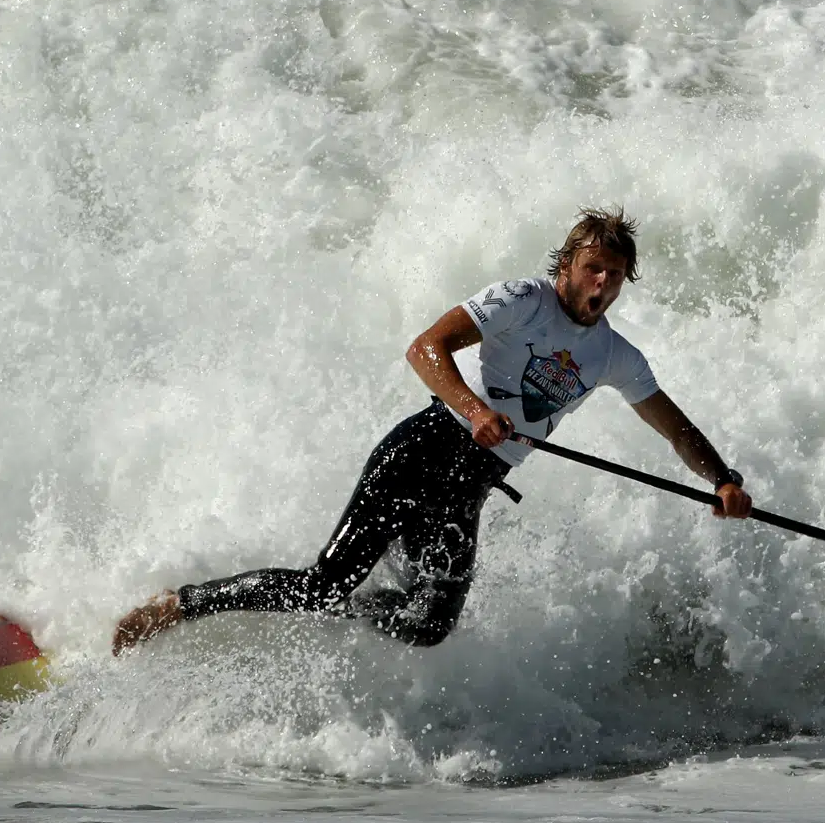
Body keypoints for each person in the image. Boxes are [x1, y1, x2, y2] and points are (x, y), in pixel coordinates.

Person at [112, 208, 753, 655]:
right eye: (593, 268)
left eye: (614, 274)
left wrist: (722, 479)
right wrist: (476, 411)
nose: (603, 283)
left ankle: (346, 615)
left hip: (468, 487)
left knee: (427, 625)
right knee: (324, 583)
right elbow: (425, 347)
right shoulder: (522, 300)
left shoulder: (613, 354)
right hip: (420, 451)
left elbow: (676, 428)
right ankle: (179, 605)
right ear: (567, 265)